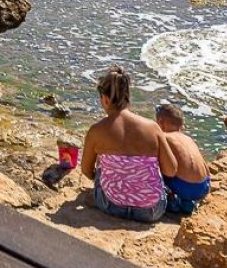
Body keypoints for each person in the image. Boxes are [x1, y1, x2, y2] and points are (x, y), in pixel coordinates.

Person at [80, 67, 172, 223]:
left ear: (105, 99)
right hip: (151, 211)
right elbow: (171, 169)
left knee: (102, 164)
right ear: (128, 97)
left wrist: (115, 174)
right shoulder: (152, 128)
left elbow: (86, 170)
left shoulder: (96, 130)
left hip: (110, 205)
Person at [155, 103, 212, 216]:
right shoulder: (188, 138)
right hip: (205, 186)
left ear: (161, 123)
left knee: (155, 165)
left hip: (185, 187)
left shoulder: (165, 137)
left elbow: (166, 168)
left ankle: (172, 202)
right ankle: (187, 204)